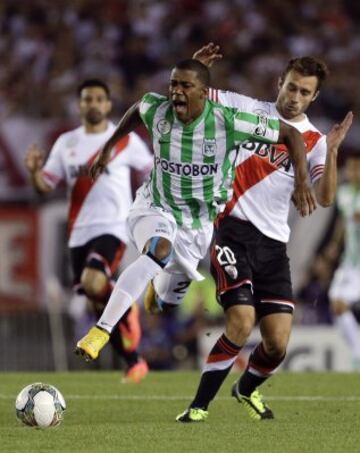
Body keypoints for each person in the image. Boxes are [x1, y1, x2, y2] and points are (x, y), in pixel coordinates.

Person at [75, 59, 316, 370]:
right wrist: (109, 146)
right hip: (154, 206)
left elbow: (293, 137)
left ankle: (159, 287)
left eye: (186, 86)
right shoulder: (157, 110)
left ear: (204, 93)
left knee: (166, 299)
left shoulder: (229, 121)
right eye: (174, 84)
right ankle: (100, 330)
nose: (176, 91)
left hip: (197, 226)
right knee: (158, 248)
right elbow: (137, 110)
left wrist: (302, 180)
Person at [175, 44, 353, 422]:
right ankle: (198, 407)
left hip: (273, 245)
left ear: (314, 96)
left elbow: (324, 198)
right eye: (291, 88)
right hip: (232, 231)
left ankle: (247, 389)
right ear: (279, 83)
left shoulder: (316, 142)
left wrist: (333, 152)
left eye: (305, 92)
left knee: (277, 343)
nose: (295, 97)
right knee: (240, 321)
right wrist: (197, 68)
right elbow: (192, 91)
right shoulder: (248, 110)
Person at [25, 78, 152, 383]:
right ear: (80, 105)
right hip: (78, 232)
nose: (93, 104)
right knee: (97, 302)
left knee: (94, 281)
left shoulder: (123, 139)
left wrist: (146, 207)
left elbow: (151, 170)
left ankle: (128, 309)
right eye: (87, 99)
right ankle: (133, 361)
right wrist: (33, 173)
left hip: (114, 226)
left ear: (108, 105)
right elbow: (47, 186)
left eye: (98, 99)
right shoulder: (66, 143)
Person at [326, 153, 360, 369]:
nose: (353, 173)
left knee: (341, 304)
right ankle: (358, 351)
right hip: (349, 260)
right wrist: (335, 245)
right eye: (350, 169)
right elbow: (342, 221)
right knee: (334, 302)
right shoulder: (345, 193)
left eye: (356, 169)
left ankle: (358, 355)